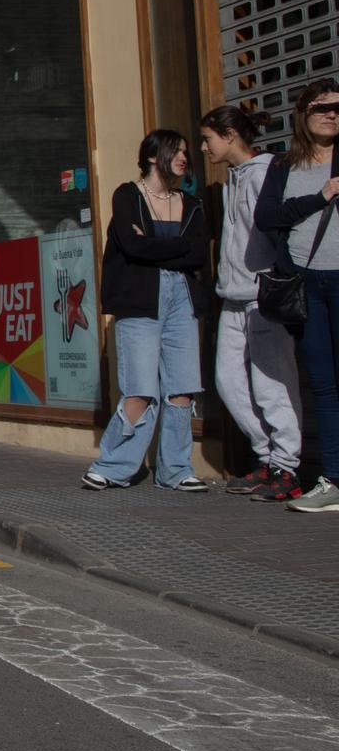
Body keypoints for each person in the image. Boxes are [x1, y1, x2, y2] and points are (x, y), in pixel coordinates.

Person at [83, 130, 211, 495]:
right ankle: (113, 465)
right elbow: (132, 245)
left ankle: (175, 469)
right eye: (178, 151)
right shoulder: (128, 195)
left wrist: (155, 245)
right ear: (155, 156)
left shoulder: (192, 204)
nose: (185, 158)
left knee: (183, 388)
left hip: (182, 297)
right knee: (140, 388)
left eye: (187, 152)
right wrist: (176, 247)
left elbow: (198, 254)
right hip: (140, 298)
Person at [201, 105, 303, 501]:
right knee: (227, 381)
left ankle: (286, 467)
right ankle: (267, 456)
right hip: (232, 295)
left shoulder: (264, 173)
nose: (204, 147)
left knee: (272, 383)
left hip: (262, 296)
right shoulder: (234, 177)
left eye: (208, 138)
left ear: (229, 135)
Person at [257, 79, 339, 514]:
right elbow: (268, 217)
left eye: (337, 108)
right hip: (306, 284)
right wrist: (320, 196)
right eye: (322, 107)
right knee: (323, 386)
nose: (331, 114)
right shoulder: (284, 165)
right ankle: (333, 479)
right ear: (303, 114)